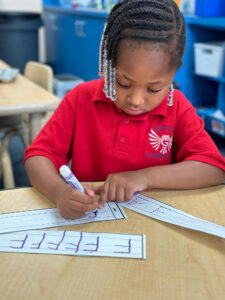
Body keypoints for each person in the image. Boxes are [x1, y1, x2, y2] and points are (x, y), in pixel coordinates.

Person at [24, 0, 225, 219]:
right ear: (108, 63)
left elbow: (213, 168)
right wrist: (58, 191)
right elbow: (38, 155)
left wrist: (145, 178)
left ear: (174, 73)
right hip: (90, 221)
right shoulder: (80, 99)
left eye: (154, 88)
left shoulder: (176, 107)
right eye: (123, 83)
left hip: (154, 224)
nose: (136, 100)